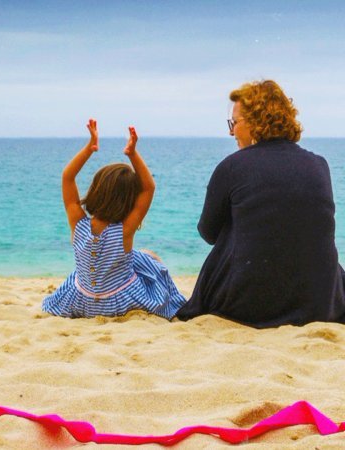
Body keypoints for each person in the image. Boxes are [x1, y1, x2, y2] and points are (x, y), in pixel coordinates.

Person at [176, 80, 345, 328]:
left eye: (235, 122)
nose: (231, 132)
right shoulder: (319, 165)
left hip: (245, 304)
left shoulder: (233, 166)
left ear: (256, 120)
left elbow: (208, 233)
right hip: (319, 302)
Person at [42, 119, 187, 319]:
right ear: (129, 201)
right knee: (150, 259)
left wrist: (90, 147)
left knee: (136, 257)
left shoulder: (78, 224)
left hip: (82, 301)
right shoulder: (125, 230)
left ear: (96, 191)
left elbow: (67, 177)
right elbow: (149, 187)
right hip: (118, 302)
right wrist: (133, 154)